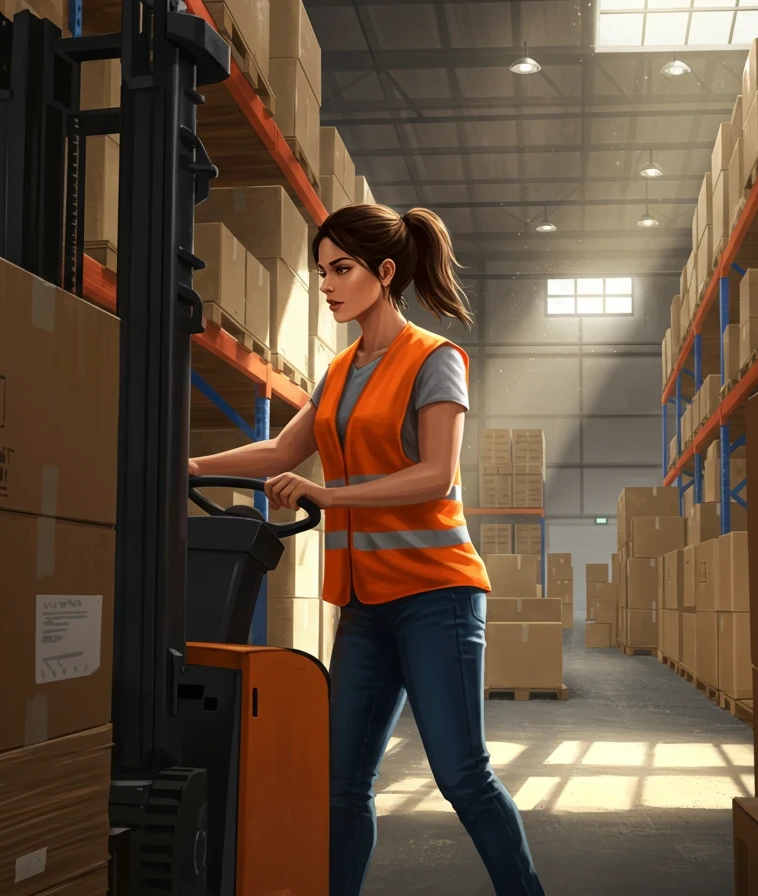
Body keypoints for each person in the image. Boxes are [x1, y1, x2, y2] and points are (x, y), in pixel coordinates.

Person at [188, 204, 546, 896]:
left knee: (461, 775)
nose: (327, 284)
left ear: (384, 273)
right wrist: (194, 466)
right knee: (342, 782)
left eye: (341, 269)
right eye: (322, 271)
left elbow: (435, 474)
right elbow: (281, 451)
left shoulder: (435, 361)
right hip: (365, 603)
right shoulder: (340, 371)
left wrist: (329, 496)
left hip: (436, 597)